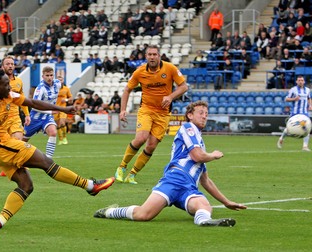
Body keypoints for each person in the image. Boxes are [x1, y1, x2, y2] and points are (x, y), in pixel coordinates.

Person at [0, 69, 115, 231]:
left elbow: (33, 103)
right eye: (5, 84)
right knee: (46, 162)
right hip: (0, 146)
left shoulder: (6, 94)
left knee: (26, 186)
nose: (10, 87)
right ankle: (91, 186)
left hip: (0, 148)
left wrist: (63, 109)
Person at [95, 101, 247, 226]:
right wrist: (213, 155)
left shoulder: (199, 141)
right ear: (190, 115)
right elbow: (197, 156)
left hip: (188, 187)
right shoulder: (188, 128)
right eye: (201, 112)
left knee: (204, 205)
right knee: (143, 215)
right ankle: (109, 212)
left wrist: (226, 202)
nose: (204, 116)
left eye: (206, 114)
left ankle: (205, 221)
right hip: (175, 179)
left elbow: (205, 180)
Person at [114, 45, 188, 184]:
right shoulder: (139, 72)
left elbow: (184, 87)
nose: (152, 57)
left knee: (151, 146)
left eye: (155, 54)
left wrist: (170, 97)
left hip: (163, 113)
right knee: (141, 137)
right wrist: (122, 110)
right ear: (146, 56)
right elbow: (127, 90)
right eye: (149, 54)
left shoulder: (170, 68)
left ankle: (132, 174)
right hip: (146, 109)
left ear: (159, 56)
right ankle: (122, 167)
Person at [277, 75, 312, 151]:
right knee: (288, 129)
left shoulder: (307, 90)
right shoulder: (293, 90)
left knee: (307, 128)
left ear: (304, 81)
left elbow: (309, 98)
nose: (300, 82)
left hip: (304, 113)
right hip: (295, 113)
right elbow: (286, 99)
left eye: (302, 80)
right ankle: (281, 138)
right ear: (296, 81)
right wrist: (294, 99)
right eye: (299, 80)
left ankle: (305, 146)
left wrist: (310, 105)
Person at [55, 75, 73, 145]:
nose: (60, 81)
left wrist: (66, 99)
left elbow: (71, 98)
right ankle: (60, 139)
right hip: (55, 109)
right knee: (58, 125)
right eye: (58, 80)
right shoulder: (53, 89)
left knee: (62, 123)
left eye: (61, 80)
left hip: (63, 108)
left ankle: (65, 137)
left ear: (63, 81)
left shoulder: (66, 89)